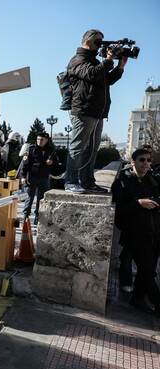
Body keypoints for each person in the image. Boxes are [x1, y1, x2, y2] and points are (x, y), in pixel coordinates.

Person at [64, 29, 127, 194]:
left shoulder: (94, 61)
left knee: (92, 149)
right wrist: (108, 59)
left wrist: (120, 67)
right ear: (88, 41)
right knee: (78, 147)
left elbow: (107, 80)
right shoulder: (78, 60)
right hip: (84, 110)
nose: (101, 45)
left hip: (98, 112)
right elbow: (92, 75)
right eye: (98, 41)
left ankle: (87, 182)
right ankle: (70, 182)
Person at [111, 147, 160, 314]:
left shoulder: (153, 180)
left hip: (154, 233)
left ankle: (138, 298)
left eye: (148, 160)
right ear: (133, 162)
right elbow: (120, 209)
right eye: (142, 160)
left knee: (147, 269)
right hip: (134, 234)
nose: (146, 163)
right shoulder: (121, 182)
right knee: (148, 271)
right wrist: (139, 203)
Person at [20, 132, 58, 225]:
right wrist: (23, 177)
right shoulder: (31, 149)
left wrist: (51, 162)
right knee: (30, 197)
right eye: (38, 139)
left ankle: (38, 216)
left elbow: (57, 162)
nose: (39, 141)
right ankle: (26, 216)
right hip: (32, 178)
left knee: (41, 199)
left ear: (46, 141)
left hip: (44, 178)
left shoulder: (51, 150)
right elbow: (24, 164)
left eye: (41, 140)